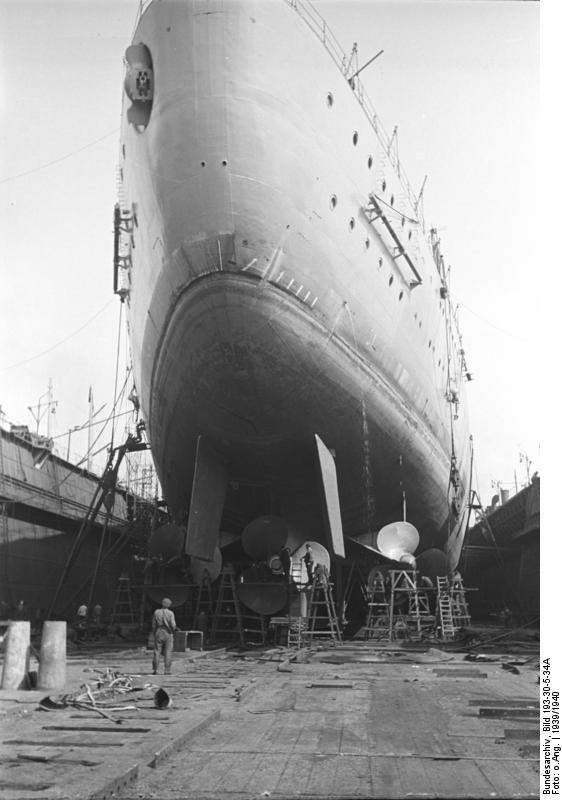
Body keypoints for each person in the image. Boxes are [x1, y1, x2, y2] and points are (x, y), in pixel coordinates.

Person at [152, 597, 177, 675]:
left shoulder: (156, 612)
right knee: (168, 651)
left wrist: (154, 633)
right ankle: (167, 670)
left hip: (158, 631)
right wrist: (173, 631)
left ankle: (155, 670)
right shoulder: (170, 613)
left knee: (157, 651)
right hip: (168, 632)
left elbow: (153, 624)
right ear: (169, 605)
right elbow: (173, 625)